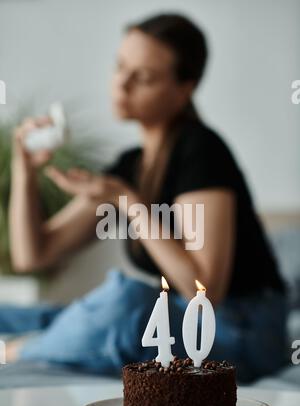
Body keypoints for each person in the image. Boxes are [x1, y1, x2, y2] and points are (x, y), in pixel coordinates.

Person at [1, 13, 287, 382]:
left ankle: (16, 351)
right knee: (31, 315)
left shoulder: (201, 150)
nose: (122, 84)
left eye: (144, 77)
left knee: (127, 301)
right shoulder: (130, 166)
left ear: (185, 88)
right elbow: (32, 254)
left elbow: (205, 290)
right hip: (182, 317)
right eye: (120, 67)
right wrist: (23, 167)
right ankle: (50, 336)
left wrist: (128, 201)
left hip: (242, 325)